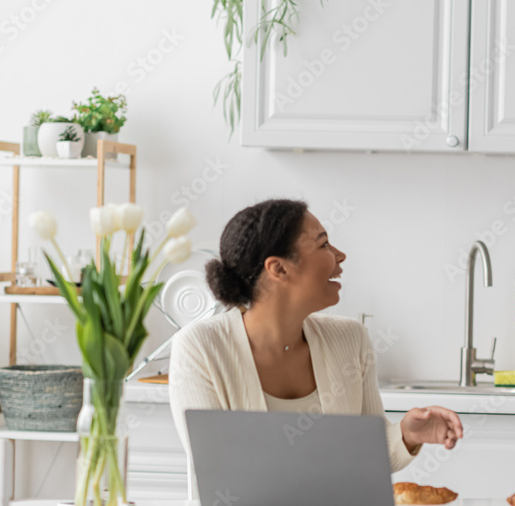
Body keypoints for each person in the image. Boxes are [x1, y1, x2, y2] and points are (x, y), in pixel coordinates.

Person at [169, 198, 463, 480]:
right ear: (279, 269)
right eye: (323, 244)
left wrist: (406, 435)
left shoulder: (349, 339)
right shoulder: (200, 347)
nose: (339, 255)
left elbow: (366, 455)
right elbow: (218, 465)